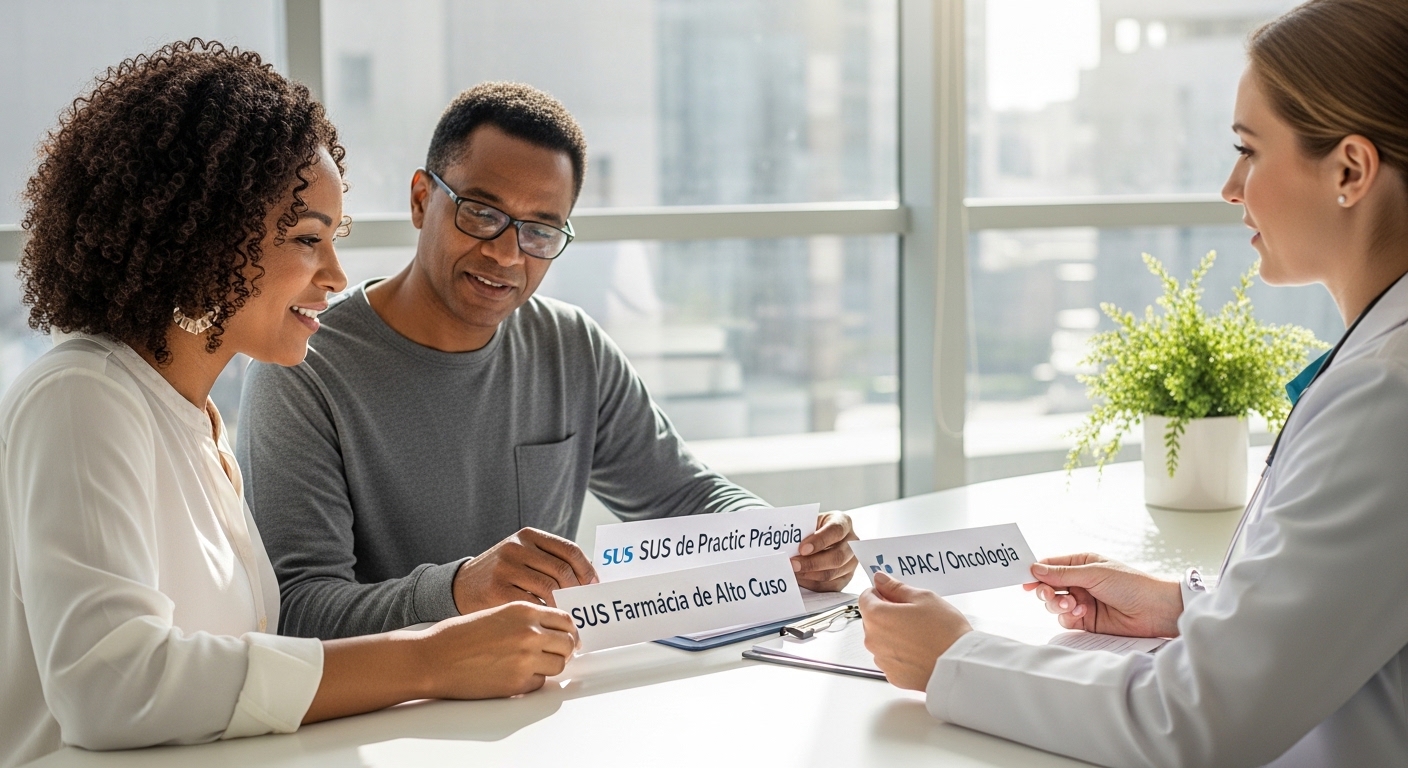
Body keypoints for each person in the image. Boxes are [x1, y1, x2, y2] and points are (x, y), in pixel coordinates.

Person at [0, 41, 579, 768]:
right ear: (205, 235)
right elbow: (111, 687)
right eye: (308, 239)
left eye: (333, 239)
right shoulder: (82, 397)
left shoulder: (196, 423)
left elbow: (230, 682)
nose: (335, 273)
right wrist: (432, 658)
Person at [860, 1, 1408, 766]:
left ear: (1350, 169)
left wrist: (957, 656)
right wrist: (1184, 605)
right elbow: (1353, 606)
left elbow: (1193, 722)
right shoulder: (1379, 364)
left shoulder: (1386, 397)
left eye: (1250, 151)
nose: (1230, 186)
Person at [236, 82, 860, 640]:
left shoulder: (571, 346)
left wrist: (787, 540)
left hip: (541, 697)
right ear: (423, 200)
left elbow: (684, 495)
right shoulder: (303, 364)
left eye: (540, 230)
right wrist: (459, 592)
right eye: (482, 213)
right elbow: (298, 610)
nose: (508, 254)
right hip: (386, 720)